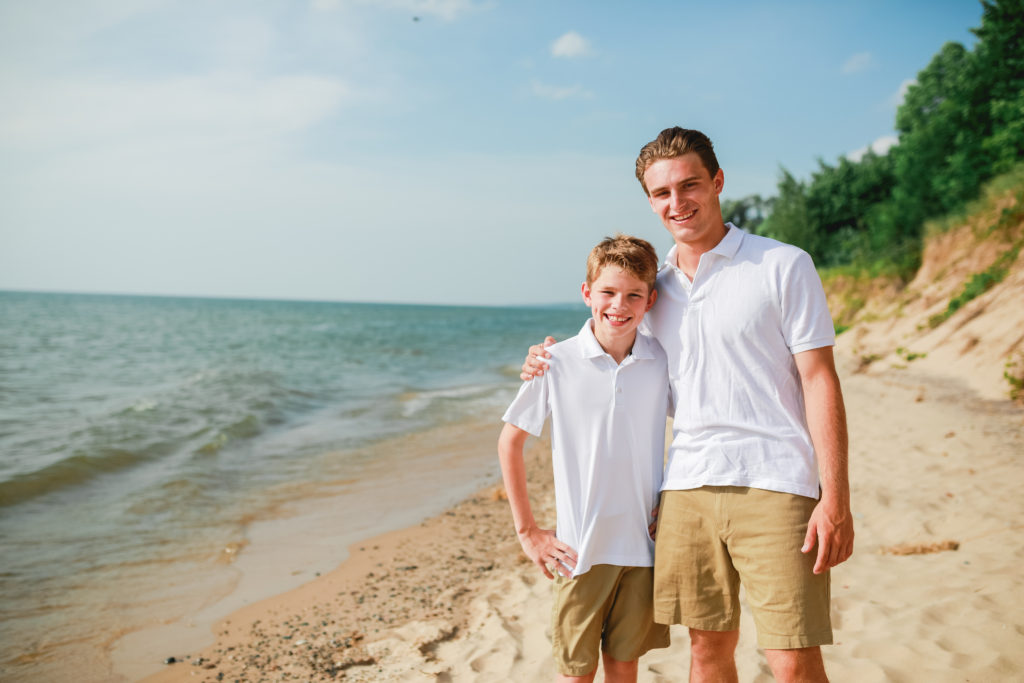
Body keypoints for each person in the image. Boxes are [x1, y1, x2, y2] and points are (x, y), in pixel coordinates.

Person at [521, 127, 854, 683]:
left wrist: (836, 498)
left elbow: (820, 380)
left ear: (717, 182)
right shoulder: (655, 289)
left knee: (792, 660)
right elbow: (610, 346)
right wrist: (543, 359)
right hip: (685, 489)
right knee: (706, 653)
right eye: (661, 194)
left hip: (778, 482)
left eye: (690, 185)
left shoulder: (782, 265)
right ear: (650, 202)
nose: (678, 203)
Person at [498, 234, 673, 683]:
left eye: (634, 294)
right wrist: (528, 532)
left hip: (642, 548)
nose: (620, 305)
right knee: (576, 673)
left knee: (624, 667)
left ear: (651, 300)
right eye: (608, 292)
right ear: (586, 294)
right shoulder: (555, 361)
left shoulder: (661, 360)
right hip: (580, 551)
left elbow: (697, 425)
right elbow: (509, 442)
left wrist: (671, 496)